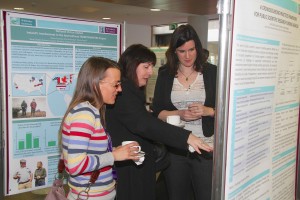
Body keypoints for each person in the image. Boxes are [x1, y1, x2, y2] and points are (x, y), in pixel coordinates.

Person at [105, 44, 213, 200]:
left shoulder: (130, 91)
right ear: (132, 65)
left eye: (151, 67)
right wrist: (186, 137)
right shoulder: (124, 93)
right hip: (129, 169)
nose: (150, 72)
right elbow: (142, 124)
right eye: (146, 67)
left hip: (134, 164)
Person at [60, 56, 140, 200]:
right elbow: (75, 165)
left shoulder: (92, 111)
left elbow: (87, 152)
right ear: (96, 84)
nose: (120, 89)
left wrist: (114, 151)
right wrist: (113, 156)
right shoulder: (84, 114)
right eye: (115, 84)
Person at [152, 24, 217, 200]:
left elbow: (228, 111)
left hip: (206, 147)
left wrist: (208, 111)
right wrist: (179, 113)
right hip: (176, 148)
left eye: (191, 49)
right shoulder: (165, 74)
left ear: (197, 47)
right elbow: (156, 112)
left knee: (206, 195)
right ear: (174, 51)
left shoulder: (212, 72)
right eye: (182, 51)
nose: (188, 56)